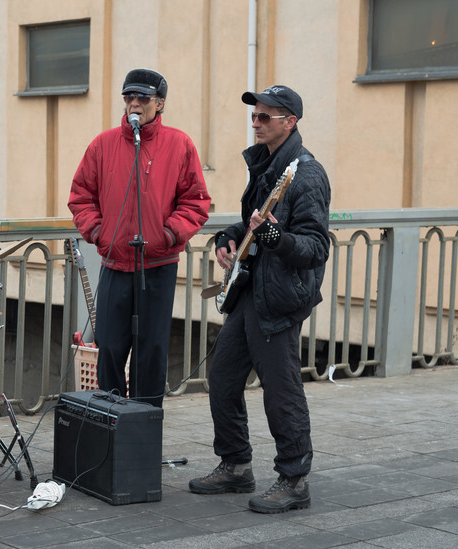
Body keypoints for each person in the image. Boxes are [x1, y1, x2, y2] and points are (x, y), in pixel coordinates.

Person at [188, 85, 331, 514]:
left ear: (290, 121)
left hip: (281, 298)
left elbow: (314, 247)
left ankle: (294, 479)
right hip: (252, 288)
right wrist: (228, 239)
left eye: (266, 117)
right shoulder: (268, 166)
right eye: (254, 116)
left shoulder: (304, 175)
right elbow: (249, 224)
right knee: (224, 377)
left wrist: (276, 238)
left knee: (281, 390)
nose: (256, 122)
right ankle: (235, 465)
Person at [68, 68, 211, 408]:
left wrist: (167, 234)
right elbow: (81, 197)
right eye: (129, 97)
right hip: (115, 264)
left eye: (142, 98)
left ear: (159, 103)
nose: (134, 103)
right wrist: (101, 234)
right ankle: (112, 425)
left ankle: (145, 429)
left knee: (151, 352)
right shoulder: (102, 145)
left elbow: (196, 201)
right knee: (110, 350)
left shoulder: (179, 144)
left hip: (157, 266)